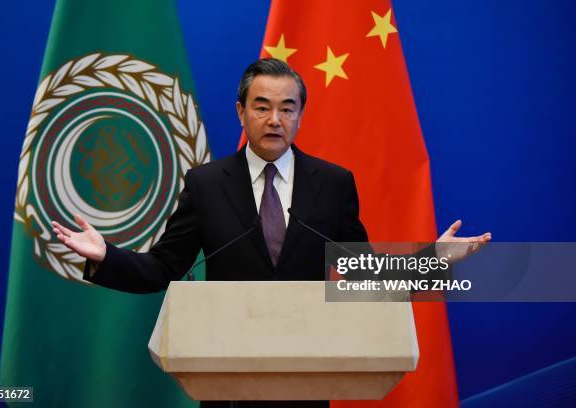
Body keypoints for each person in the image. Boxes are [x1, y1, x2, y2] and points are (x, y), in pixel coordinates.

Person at [51, 58, 491, 407]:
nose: (275, 119)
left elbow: (364, 277)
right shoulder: (206, 184)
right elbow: (164, 267)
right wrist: (106, 255)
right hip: (225, 376)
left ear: (301, 114)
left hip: (305, 375)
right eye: (262, 106)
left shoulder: (333, 183)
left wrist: (434, 259)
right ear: (241, 112)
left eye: (287, 108)